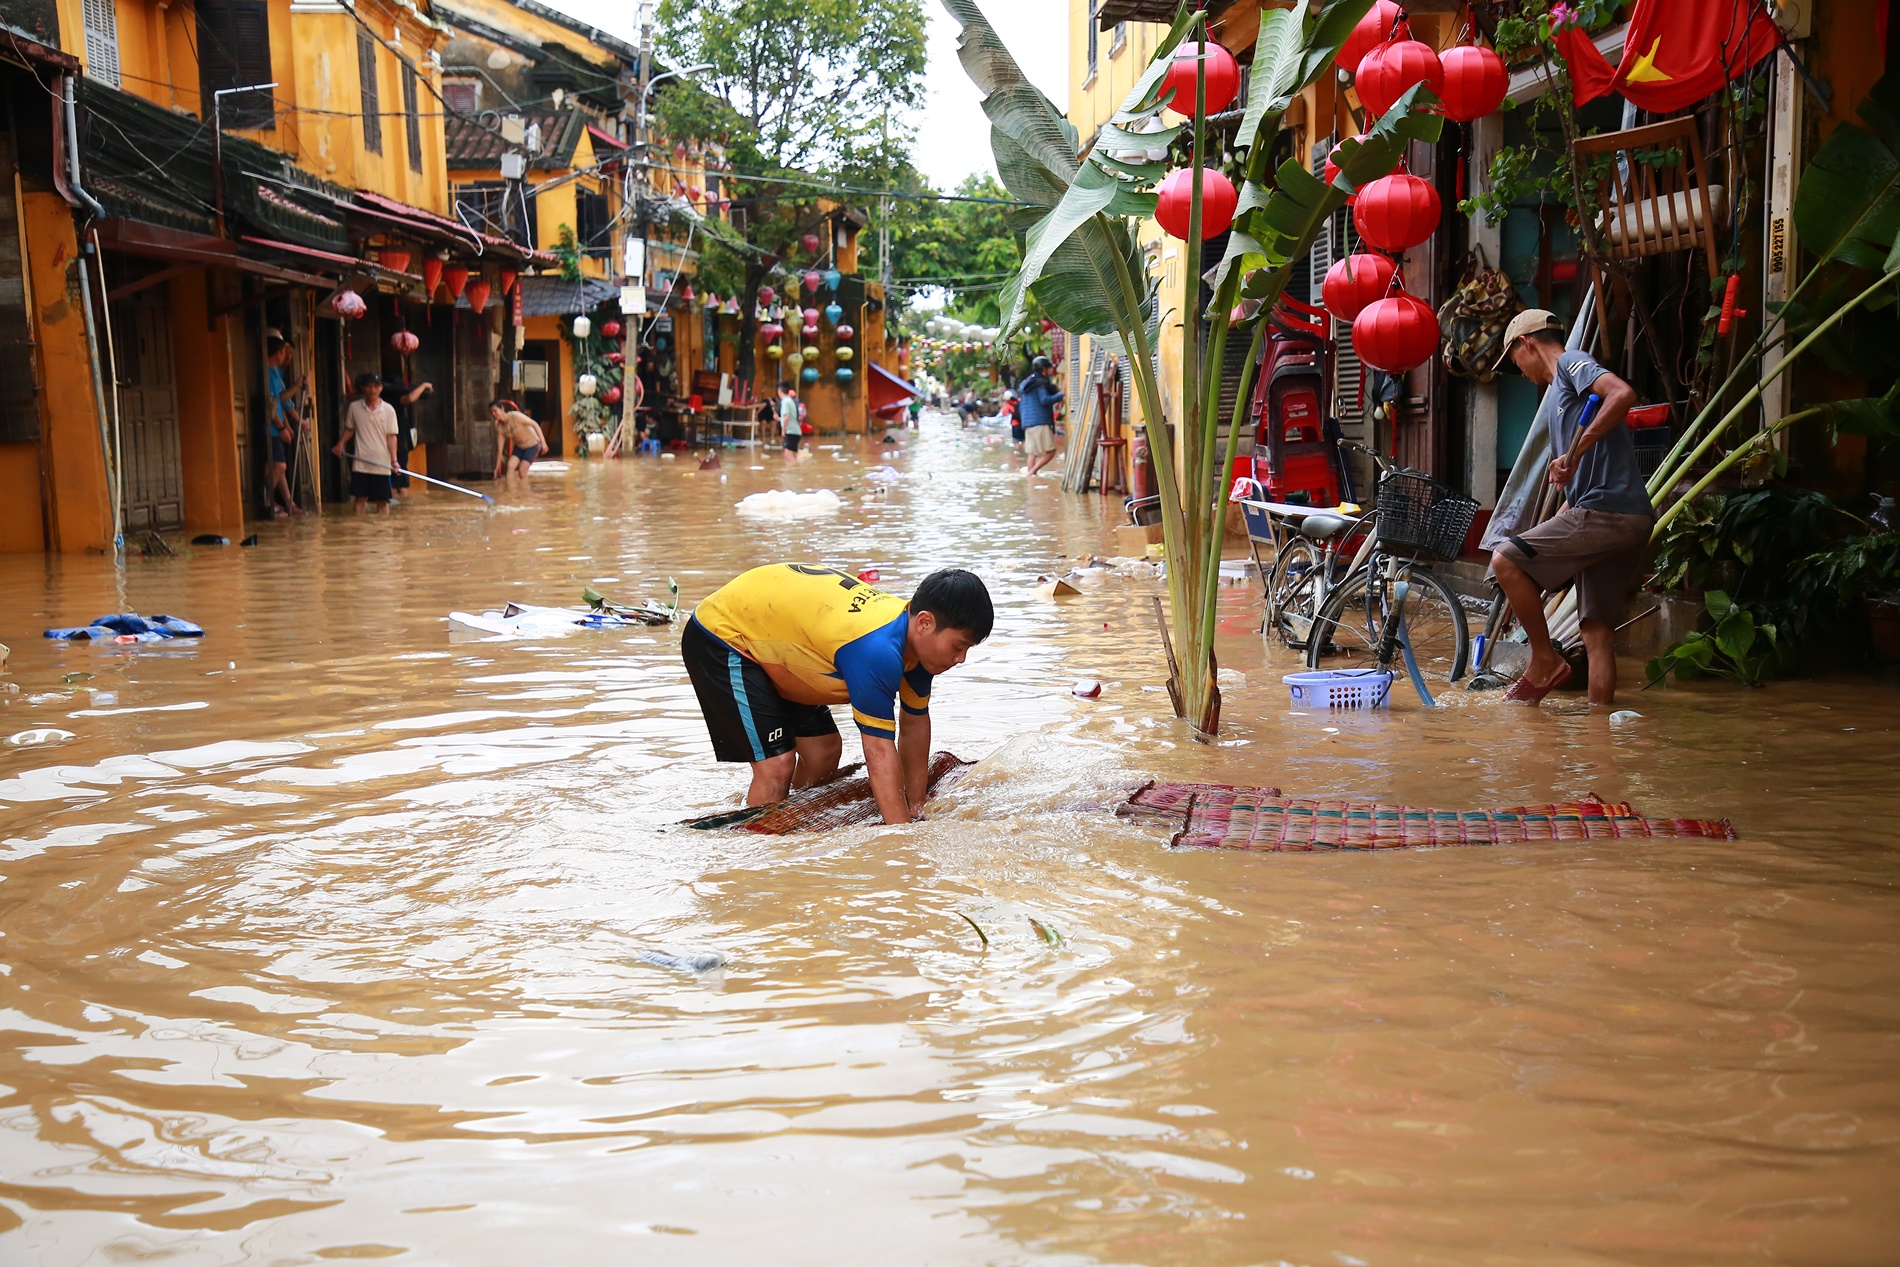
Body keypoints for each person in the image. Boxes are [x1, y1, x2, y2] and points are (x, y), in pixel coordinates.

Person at [681, 565, 993, 823]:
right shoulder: (878, 651)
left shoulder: (916, 646)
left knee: (823, 753)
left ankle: (783, 819)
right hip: (722, 635)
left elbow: (914, 726)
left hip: (777, 637)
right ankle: (753, 857)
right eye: (958, 646)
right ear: (925, 622)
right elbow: (879, 751)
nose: (961, 659)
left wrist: (917, 806)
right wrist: (902, 839)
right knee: (776, 764)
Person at [1488, 309, 1653, 706]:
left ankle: (1544, 659)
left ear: (1526, 344)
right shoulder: (1559, 395)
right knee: (1596, 636)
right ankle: (1600, 741)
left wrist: (1576, 451)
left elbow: (1622, 393)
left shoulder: (1570, 363)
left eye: (1515, 361)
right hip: (1625, 517)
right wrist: (1570, 489)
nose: (1522, 372)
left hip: (1607, 512)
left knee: (1505, 561)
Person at [333, 373, 400, 514]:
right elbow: (349, 429)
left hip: (382, 464)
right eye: (369, 386)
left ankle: (383, 533)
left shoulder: (388, 410)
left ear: (381, 388)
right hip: (361, 463)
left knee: (382, 502)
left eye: (376, 386)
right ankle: (359, 531)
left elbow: (391, 437)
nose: (372, 390)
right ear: (363, 388)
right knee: (360, 500)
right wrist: (340, 444)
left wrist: (394, 461)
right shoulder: (354, 407)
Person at [264, 337, 305, 516]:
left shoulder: (276, 373)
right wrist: (281, 428)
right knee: (279, 466)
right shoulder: (267, 373)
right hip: (271, 428)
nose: (287, 358)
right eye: (285, 353)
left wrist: (288, 425)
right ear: (279, 352)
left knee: (279, 467)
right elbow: (273, 403)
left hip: (278, 426)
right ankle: (266, 502)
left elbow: (282, 405)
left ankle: (289, 503)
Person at [382, 377, 433, 498]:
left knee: (399, 475)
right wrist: (424, 385)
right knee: (397, 477)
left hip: (397, 441)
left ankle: (400, 503)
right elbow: (410, 398)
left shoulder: (384, 400)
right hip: (395, 441)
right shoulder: (391, 399)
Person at [1017, 355, 1066, 477]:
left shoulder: (1028, 382)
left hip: (1027, 422)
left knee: (1032, 453)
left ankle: (1032, 479)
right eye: (1049, 368)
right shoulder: (1040, 383)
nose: (1051, 371)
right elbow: (1044, 400)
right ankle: (1032, 472)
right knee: (1051, 452)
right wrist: (1061, 394)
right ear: (1044, 369)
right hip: (1039, 421)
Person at [490, 399, 547, 480]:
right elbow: (500, 450)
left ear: (502, 409)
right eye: (492, 412)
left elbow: (535, 424)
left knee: (522, 470)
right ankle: (512, 491)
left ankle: (524, 491)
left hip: (532, 445)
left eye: (495, 411)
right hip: (519, 447)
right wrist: (497, 468)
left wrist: (543, 443)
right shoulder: (500, 427)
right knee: (510, 467)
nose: (494, 414)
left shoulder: (515, 416)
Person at [776, 380, 803, 458]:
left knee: (788, 456)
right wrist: (779, 419)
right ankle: (795, 470)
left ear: (779, 390)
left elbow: (787, 417)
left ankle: (791, 470)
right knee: (793, 456)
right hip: (795, 432)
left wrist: (783, 430)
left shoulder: (785, 401)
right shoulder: (790, 400)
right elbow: (789, 418)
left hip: (791, 432)